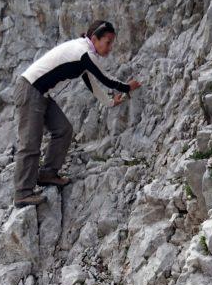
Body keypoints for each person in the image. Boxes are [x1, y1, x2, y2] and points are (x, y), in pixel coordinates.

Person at [13, 20, 141, 207]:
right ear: (94, 39)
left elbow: (92, 83)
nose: (110, 48)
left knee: (63, 129)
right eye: (108, 42)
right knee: (31, 143)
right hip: (30, 90)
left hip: (42, 93)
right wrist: (127, 87)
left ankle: (48, 173)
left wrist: (109, 102)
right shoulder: (83, 52)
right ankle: (22, 193)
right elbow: (104, 78)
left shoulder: (83, 54)